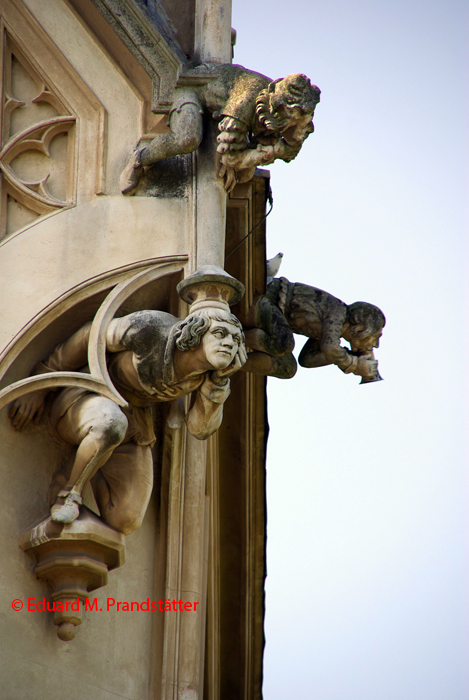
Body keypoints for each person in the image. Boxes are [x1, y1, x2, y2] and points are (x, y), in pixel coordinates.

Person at [9, 308, 246, 534]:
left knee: (125, 518)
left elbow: (200, 429)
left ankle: (91, 458)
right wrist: (41, 383)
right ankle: (69, 492)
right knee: (111, 423)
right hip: (87, 398)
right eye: (219, 333)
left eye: (236, 339)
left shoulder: (209, 376)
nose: (229, 343)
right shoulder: (151, 329)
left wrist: (218, 384)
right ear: (196, 333)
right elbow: (92, 336)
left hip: (133, 419)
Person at [120, 63, 320, 194]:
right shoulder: (248, 98)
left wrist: (286, 144)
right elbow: (230, 157)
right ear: (283, 106)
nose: (299, 121)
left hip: (221, 111)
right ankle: (140, 159)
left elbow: (285, 145)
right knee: (188, 139)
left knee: (245, 174)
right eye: (297, 114)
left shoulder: (277, 117)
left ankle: (234, 146)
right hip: (192, 91)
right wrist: (271, 152)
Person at [241, 277, 385, 380]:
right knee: (284, 343)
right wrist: (353, 364)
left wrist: (352, 356)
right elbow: (329, 347)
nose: (376, 345)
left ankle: (232, 362)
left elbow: (307, 359)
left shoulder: (332, 332)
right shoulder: (338, 313)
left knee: (287, 368)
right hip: (266, 300)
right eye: (377, 336)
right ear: (361, 328)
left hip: (272, 318)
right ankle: (238, 338)